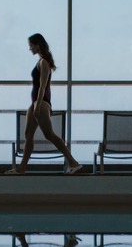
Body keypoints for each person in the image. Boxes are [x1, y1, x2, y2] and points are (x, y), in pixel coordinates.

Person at [8, 33, 82, 174]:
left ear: (37, 45)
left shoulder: (43, 63)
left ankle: (73, 162)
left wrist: (40, 104)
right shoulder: (41, 61)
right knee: (28, 134)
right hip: (36, 102)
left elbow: (43, 86)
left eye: (31, 46)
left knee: (49, 134)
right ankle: (22, 168)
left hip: (40, 103)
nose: (29, 49)